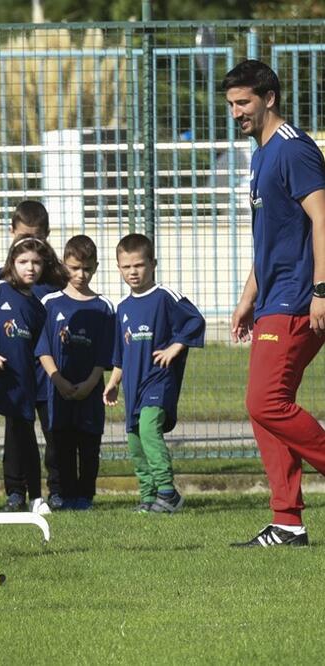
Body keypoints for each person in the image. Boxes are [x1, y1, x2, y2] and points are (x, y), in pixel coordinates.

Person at [224, 60, 325, 547]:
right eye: (231, 105)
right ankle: (287, 522)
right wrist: (248, 298)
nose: (236, 112)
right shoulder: (261, 154)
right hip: (273, 298)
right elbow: (273, 237)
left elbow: (322, 220)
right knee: (263, 409)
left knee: (265, 401)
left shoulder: (293, 149)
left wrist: (321, 289)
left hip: (299, 299)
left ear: (270, 97)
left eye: (243, 102)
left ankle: (288, 518)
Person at [103, 234, 205, 514]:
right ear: (118, 268)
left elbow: (195, 321)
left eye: (139, 265)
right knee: (135, 442)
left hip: (159, 381)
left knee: (149, 430)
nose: (133, 272)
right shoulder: (123, 308)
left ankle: (168, 492)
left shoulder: (164, 297)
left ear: (153, 264)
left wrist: (176, 346)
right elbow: (120, 355)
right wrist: (113, 382)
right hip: (132, 387)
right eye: (126, 267)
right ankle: (148, 497)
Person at [0, 237, 63, 514]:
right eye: (23, 262)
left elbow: (37, 347)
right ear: (12, 263)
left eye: (36, 262)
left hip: (20, 381)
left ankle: (35, 498)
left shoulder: (39, 308)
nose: (30, 267)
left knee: (24, 435)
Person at [0, 201, 68, 510]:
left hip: (47, 369)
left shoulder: (57, 277)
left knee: (53, 429)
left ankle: (57, 490)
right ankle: (15, 491)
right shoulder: (1, 278)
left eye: (36, 237)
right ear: (11, 233)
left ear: (47, 235)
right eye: (21, 237)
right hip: (15, 367)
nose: (28, 246)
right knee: (16, 431)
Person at [36, 235, 115, 510]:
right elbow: (42, 347)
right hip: (58, 388)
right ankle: (61, 493)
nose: (81, 275)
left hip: (89, 390)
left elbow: (106, 353)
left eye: (87, 268)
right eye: (74, 268)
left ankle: (85, 496)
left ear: (96, 267)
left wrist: (91, 383)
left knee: (89, 445)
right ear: (64, 266)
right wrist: (57, 378)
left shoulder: (104, 307)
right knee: (60, 443)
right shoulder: (50, 303)